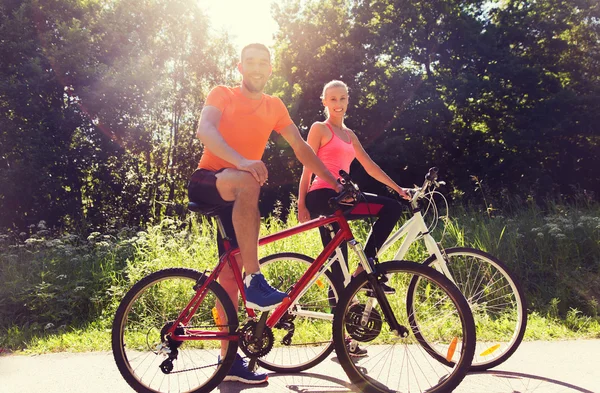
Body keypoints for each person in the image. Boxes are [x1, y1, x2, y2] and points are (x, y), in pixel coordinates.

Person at [188, 43, 342, 384]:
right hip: (208, 181)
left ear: (271, 69)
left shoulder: (274, 106)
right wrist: (242, 161)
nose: (257, 68)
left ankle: (228, 361)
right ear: (240, 67)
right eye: (251, 62)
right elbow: (205, 130)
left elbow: (302, 147)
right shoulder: (223, 94)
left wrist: (334, 181)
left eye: (264, 63)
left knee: (229, 276)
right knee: (249, 181)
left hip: (237, 193)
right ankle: (256, 280)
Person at [297, 80, 411, 355]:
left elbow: (370, 167)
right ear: (324, 102)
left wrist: (398, 189)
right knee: (339, 267)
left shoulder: (350, 136)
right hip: (323, 197)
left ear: (348, 100)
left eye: (342, 98)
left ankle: (367, 263)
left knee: (392, 207)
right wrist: (301, 204)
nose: (338, 104)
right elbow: (306, 167)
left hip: (345, 197)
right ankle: (342, 341)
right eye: (332, 99)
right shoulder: (319, 129)